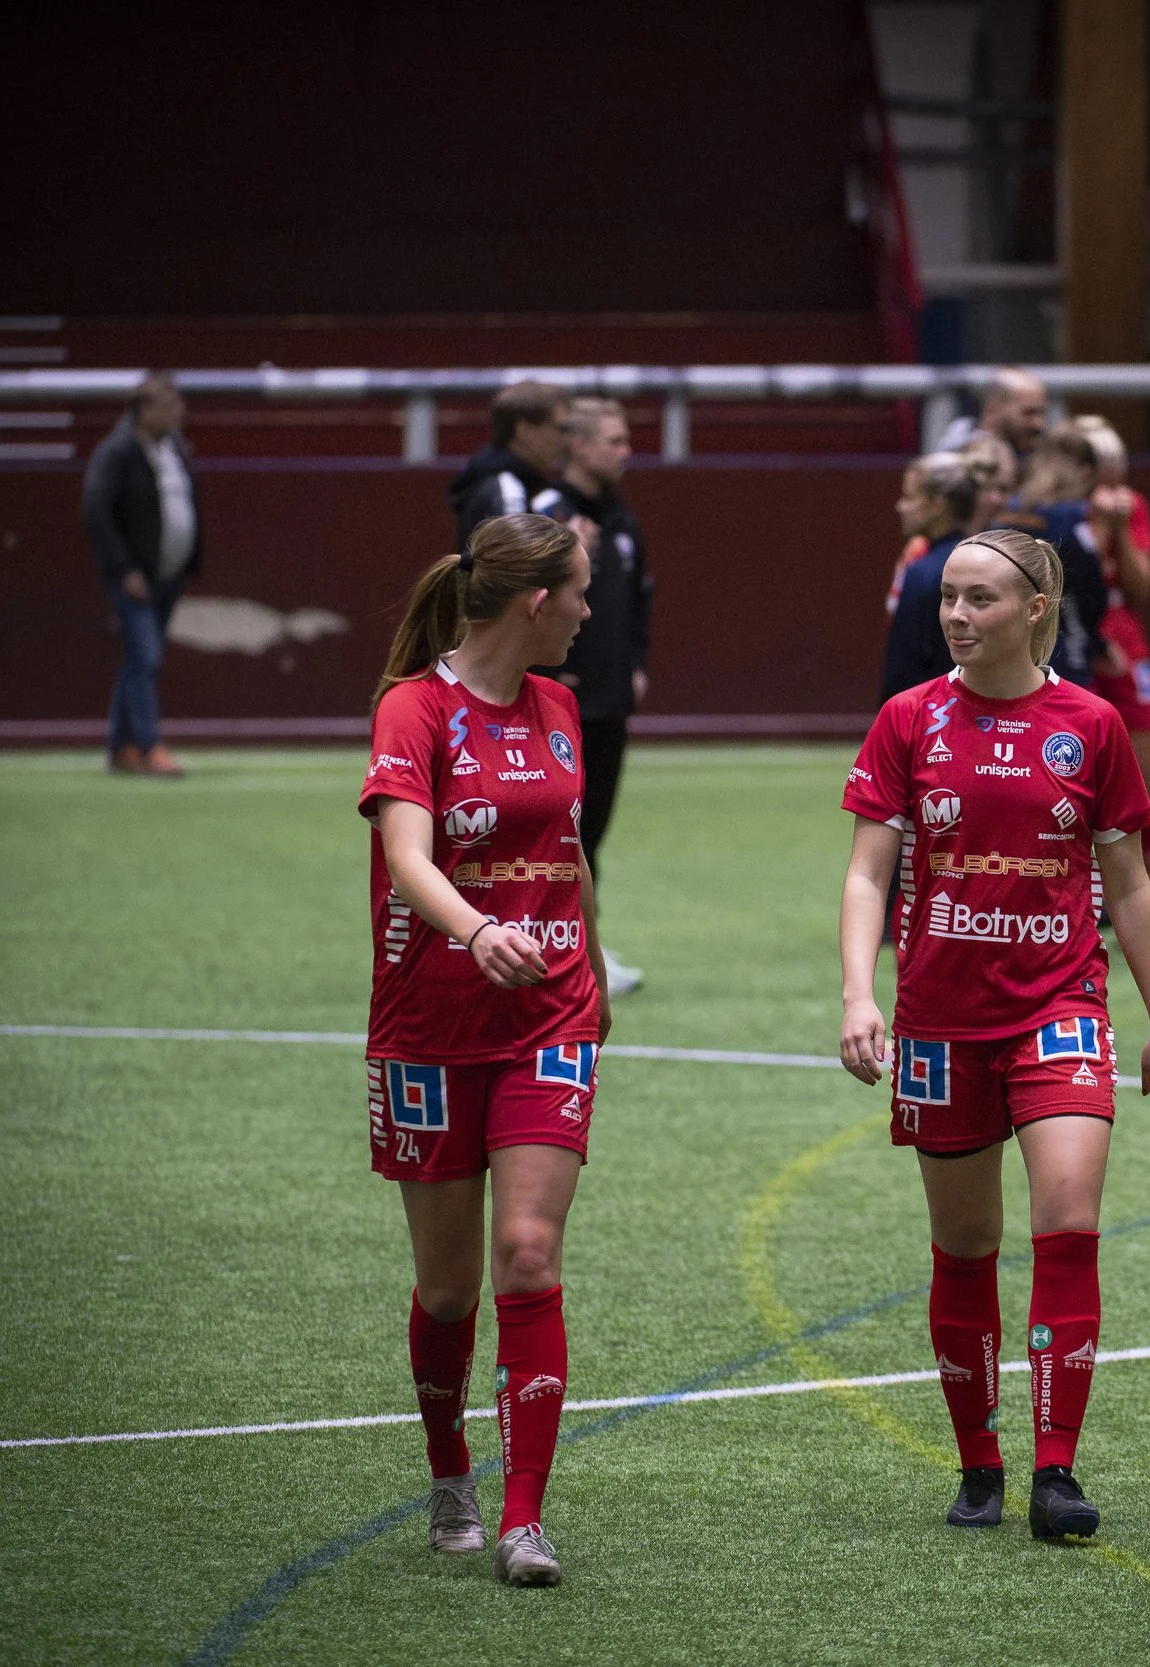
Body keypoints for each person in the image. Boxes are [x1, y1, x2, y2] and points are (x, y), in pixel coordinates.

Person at [837, 527, 1150, 1540]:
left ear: (1037, 608)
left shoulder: (1091, 723)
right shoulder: (907, 719)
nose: (955, 614)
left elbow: (1128, 880)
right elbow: (868, 870)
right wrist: (860, 994)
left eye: (980, 598)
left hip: (1061, 1005)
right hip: (940, 1017)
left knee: (1068, 1217)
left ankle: (1056, 1468)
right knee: (965, 1243)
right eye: (949, 596)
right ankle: (978, 1461)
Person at [357, 513, 613, 1588]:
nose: (592, 612)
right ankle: (450, 1468)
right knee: (450, 1285)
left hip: (548, 1020)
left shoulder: (559, 706)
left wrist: (590, 975)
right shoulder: (413, 707)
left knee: (527, 1254)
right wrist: (477, 928)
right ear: (534, 602)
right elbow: (405, 853)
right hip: (427, 1026)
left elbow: (568, 855)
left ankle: (523, 1518)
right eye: (583, 593)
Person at [537, 397, 655, 998]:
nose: (624, 450)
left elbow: (639, 594)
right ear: (578, 446)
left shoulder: (620, 514)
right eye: (613, 439)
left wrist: (635, 660)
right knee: (562, 831)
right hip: (565, 699)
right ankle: (558, 946)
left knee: (592, 833)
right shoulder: (548, 516)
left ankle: (584, 944)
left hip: (611, 698)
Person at [82, 371, 200, 777]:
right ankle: (150, 747)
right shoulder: (118, 451)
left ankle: (121, 746)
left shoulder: (173, 448)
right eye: (170, 405)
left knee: (139, 659)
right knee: (145, 657)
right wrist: (124, 568)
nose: (179, 412)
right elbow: (95, 512)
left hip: (168, 576)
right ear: (145, 410)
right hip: (136, 579)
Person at [1071, 416, 1150, 877]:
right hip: (1074, 631)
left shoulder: (1133, 506)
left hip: (1125, 634)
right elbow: (1076, 580)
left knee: (1145, 760)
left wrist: (1121, 526)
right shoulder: (1064, 509)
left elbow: (1142, 587)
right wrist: (1099, 527)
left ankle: (1141, 883)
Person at [995, 425, 1111, 691]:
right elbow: (1089, 586)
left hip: (1013, 632)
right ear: (1086, 471)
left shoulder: (1011, 510)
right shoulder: (1072, 514)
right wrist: (1097, 641)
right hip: (1062, 635)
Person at [881, 453, 987, 700]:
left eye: (910, 497)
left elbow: (905, 661)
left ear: (938, 505)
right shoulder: (983, 560)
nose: (901, 506)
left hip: (928, 713)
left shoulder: (924, 572)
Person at [451, 382, 572, 550]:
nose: (565, 440)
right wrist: (569, 551)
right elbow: (515, 568)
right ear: (524, 430)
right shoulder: (507, 490)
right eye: (559, 429)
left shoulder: (525, 483)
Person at [939, 366, 1049, 466]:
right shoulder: (958, 461)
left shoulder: (1037, 457)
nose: (1038, 424)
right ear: (994, 408)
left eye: (1041, 413)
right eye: (1028, 413)